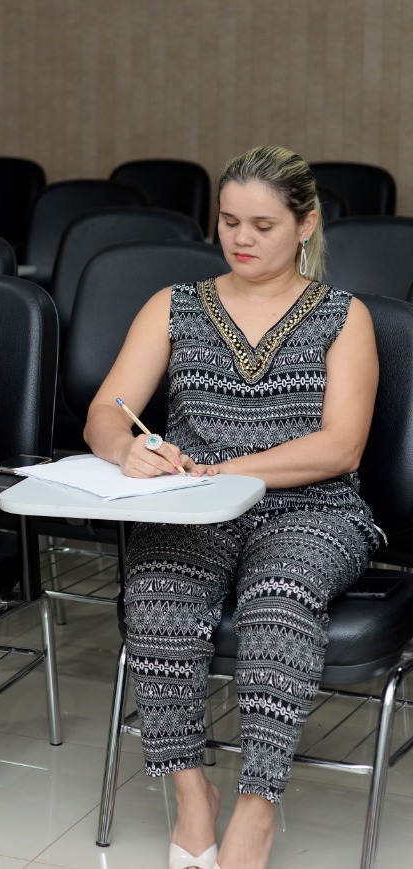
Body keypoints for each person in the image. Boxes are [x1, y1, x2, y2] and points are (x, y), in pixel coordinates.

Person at [85, 146, 382, 869]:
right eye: (227, 222)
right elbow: (105, 411)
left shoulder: (345, 316)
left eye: (262, 224)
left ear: (305, 225)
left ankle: (256, 805)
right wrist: (123, 448)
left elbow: (341, 447)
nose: (241, 239)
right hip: (197, 507)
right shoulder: (175, 305)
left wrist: (224, 466)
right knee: (154, 594)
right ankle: (194, 795)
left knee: (277, 603)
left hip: (314, 509)